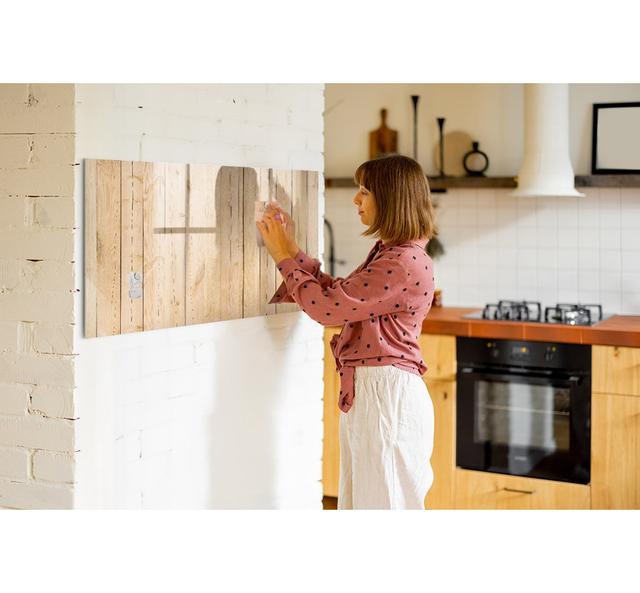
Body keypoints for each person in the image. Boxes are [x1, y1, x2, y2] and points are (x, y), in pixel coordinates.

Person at [256, 154, 437, 510]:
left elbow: (328, 309)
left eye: (364, 191)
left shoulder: (402, 261)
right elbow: (340, 295)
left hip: (386, 398)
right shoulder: (392, 253)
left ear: (391, 199)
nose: (356, 200)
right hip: (376, 394)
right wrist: (292, 251)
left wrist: (282, 257)